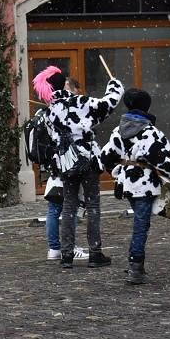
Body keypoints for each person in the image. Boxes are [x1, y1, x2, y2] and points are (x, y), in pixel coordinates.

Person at [101, 88, 170, 284]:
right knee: (141, 225)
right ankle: (135, 267)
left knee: (141, 222)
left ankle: (136, 266)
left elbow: (106, 156)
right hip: (145, 183)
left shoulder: (118, 131)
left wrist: (118, 172)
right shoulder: (151, 132)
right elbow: (162, 161)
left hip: (128, 183)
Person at [35, 65, 123, 269]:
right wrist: (115, 86)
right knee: (92, 206)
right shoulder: (79, 102)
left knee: (68, 207)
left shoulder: (50, 111)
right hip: (88, 158)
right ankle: (95, 253)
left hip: (65, 162)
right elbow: (106, 106)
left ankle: (66, 255)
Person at [39, 77, 86, 262]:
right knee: (69, 206)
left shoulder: (48, 109)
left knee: (56, 206)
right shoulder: (66, 108)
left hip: (55, 161)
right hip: (68, 160)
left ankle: (54, 248)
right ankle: (69, 247)